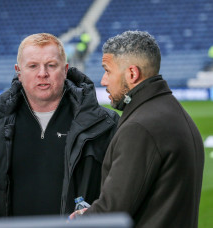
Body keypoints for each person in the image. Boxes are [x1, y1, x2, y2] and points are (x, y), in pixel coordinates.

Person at [0, 33, 119, 219]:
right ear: (19, 72)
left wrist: (97, 216)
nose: (42, 73)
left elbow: (124, 185)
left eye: (51, 65)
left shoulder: (103, 123)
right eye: (33, 66)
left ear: (65, 69)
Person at [69, 31, 204, 227]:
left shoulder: (140, 128)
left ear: (132, 73)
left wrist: (80, 219)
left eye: (107, 71)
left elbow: (111, 213)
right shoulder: (170, 110)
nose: (103, 80)